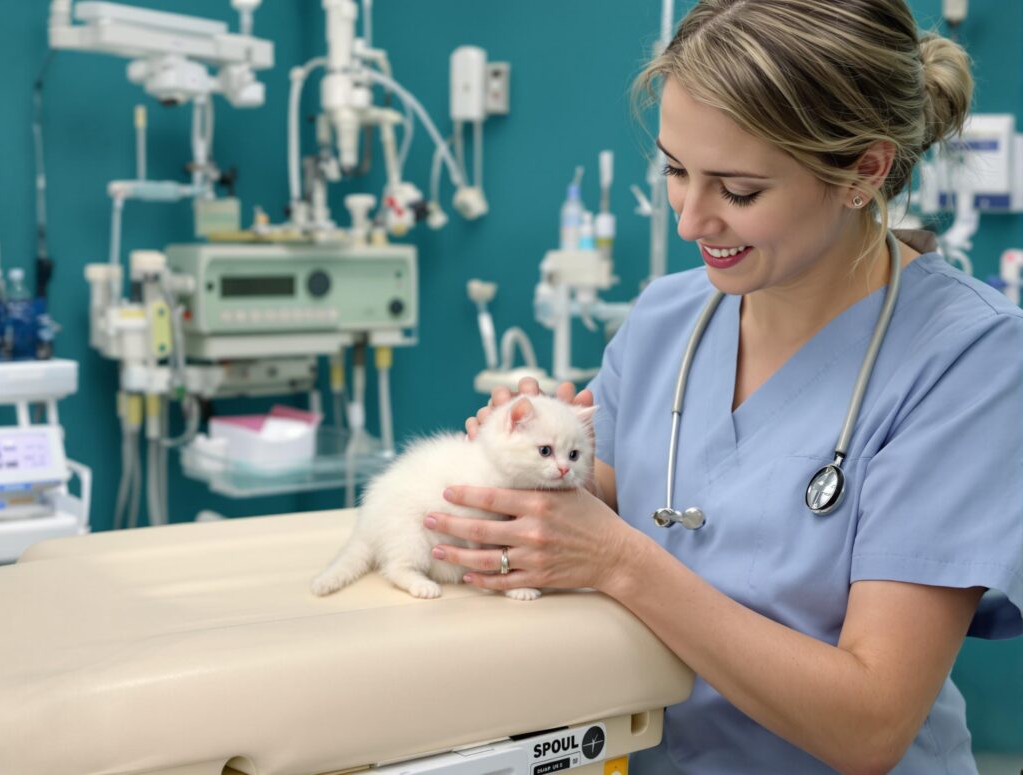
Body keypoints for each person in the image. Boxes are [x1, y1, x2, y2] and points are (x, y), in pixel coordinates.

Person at [423, 1, 1023, 772]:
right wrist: (524, 472)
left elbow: (871, 722)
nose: (690, 219)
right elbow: (588, 513)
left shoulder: (965, 357)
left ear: (864, 171)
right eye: (676, 170)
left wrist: (619, 562)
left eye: (738, 191)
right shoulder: (669, 317)